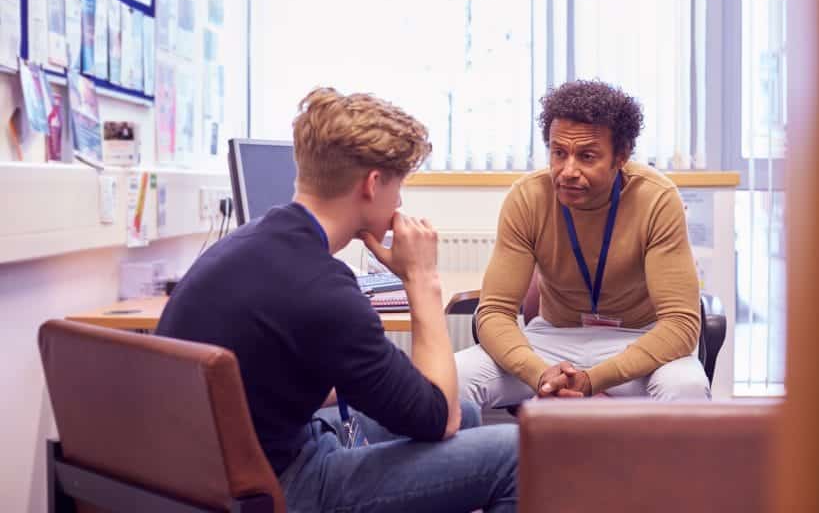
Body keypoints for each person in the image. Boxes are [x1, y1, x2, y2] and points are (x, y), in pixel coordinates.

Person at [157, 87, 517, 513]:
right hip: (279, 488)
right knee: (517, 451)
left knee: (471, 413)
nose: (400, 202)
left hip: (210, 474)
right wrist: (422, 278)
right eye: (399, 186)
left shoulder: (249, 242)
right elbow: (440, 420)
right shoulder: (323, 290)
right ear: (373, 183)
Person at [456, 80, 710, 407]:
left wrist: (593, 380)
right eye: (559, 153)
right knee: (453, 379)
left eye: (587, 156)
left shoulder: (657, 199)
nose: (568, 171)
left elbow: (681, 323)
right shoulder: (528, 197)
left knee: (687, 388)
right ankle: (480, 460)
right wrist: (540, 373)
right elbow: (494, 312)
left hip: (637, 340)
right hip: (551, 340)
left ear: (621, 156)